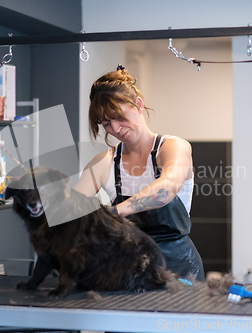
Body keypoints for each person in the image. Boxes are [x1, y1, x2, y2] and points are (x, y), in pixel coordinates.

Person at [74, 65, 204, 281]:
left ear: (139, 105)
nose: (115, 129)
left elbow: (166, 189)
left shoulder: (173, 147)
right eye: (106, 123)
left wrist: (112, 213)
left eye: (119, 117)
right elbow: (72, 212)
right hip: (130, 268)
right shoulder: (104, 163)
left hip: (180, 270)